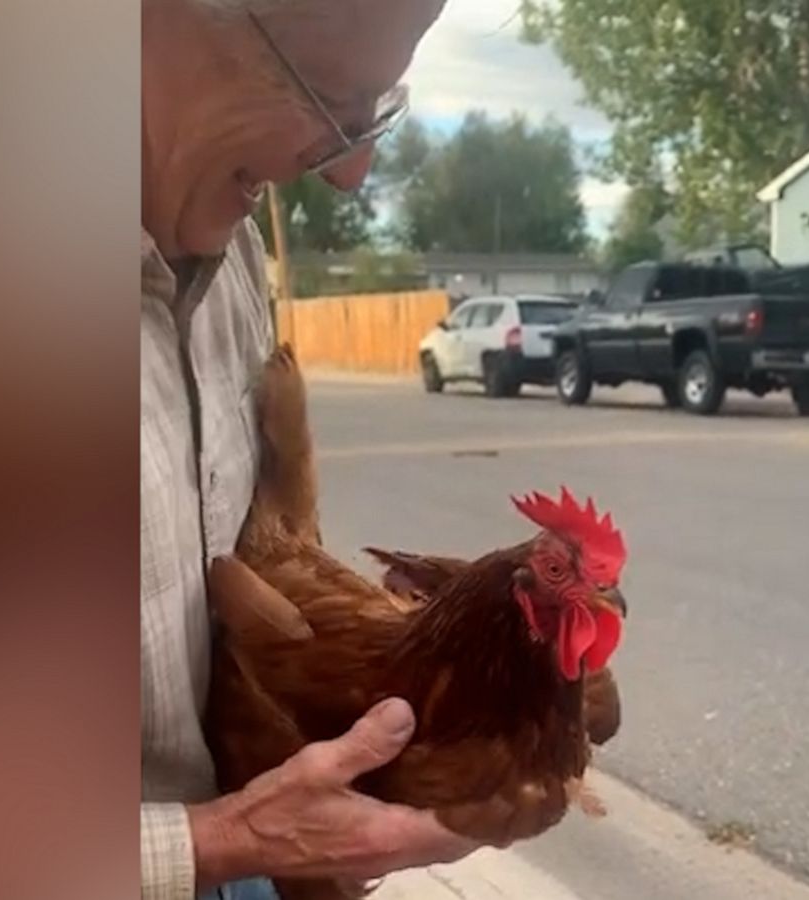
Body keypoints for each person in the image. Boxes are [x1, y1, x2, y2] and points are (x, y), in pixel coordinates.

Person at [139, 2, 475, 898]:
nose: (351, 174)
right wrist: (213, 845)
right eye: (332, 106)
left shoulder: (233, 252)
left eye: (379, 115)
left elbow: (263, 541)